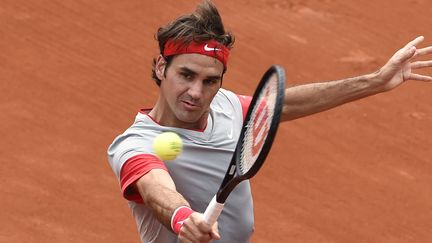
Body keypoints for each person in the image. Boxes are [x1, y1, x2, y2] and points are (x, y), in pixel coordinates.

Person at [107, 1, 432, 242]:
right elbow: (154, 189)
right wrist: (182, 218)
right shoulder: (134, 145)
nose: (196, 92)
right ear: (163, 68)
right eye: (186, 75)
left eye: (210, 81)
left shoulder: (227, 106)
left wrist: (375, 80)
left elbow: (284, 104)